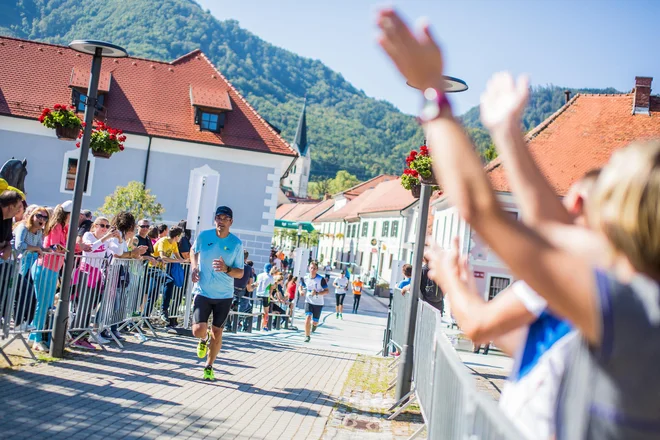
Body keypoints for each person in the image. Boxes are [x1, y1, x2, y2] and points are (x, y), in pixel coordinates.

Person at [376, 10, 660, 439]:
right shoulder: (637, 294)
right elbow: (548, 227)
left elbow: (482, 209)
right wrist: (507, 131)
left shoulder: (633, 307)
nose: (577, 204)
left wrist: (435, 94)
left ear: (623, 212)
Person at [190, 206, 244, 381]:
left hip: (224, 295)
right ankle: (203, 339)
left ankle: (209, 366)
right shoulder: (204, 236)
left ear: (231, 222)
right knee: (198, 330)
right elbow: (193, 251)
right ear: (215, 220)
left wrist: (226, 268)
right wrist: (194, 267)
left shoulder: (236, 243)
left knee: (217, 332)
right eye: (218, 218)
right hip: (203, 291)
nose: (221, 221)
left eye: (225, 218)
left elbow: (240, 273)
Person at [29, 201, 69, 351]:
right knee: (43, 304)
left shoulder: (64, 228)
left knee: (45, 304)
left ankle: (33, 336)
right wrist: (64, 249)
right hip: (45, 267)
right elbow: (53, 246)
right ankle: (37, 338)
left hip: (52, 269)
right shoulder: (56, 226)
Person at [75, 216, 119, 348]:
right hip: (86, 272)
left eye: (107, 226)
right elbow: (90, 248)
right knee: (84, 306)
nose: (104, 228)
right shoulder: (88, 235)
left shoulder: (108, 239)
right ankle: (76, 335)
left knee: (91, 307)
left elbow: (118, 251)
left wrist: (119, 238)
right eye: (101, 225)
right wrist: (105, 238)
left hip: (97, 274)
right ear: (95, 226)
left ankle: (83, 336)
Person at [13, 206, 48, 332]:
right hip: (15, 265)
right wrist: (37, 249)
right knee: (24, 293)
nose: (42, 219)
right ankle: (17, 323)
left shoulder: (39, 232)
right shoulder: (23, 227)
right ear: (32, 216)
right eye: (39, 216)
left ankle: (25, 322)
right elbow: (19, 245)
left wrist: (47, 249)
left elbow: (38, 247)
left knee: (31, 294)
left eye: (45, 217)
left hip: (29, 266)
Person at [154, 226, 186, 328]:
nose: (180, 238)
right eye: (180, 236)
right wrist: (177, 260)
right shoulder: (164, 241)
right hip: (151, 266)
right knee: (168, 282)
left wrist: (185, 261)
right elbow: (163, 257)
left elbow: (178, 257)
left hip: (160, 269)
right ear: (177, 236)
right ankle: (163, 309)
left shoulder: (174, 243)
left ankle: (164, 309)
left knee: (155, 293)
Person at [298, 261, 329, 343]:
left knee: (315, 322)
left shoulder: (320, 279)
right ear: (309, 268)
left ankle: (314, 325)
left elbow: (326, 291)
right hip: (308, 301)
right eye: (311, 268)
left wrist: (317, 293)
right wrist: (301, 291)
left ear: (317, 270)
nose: (312, 270)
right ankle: (307, 336)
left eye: (314, 269)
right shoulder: (305, 278)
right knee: (308, 317)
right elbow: (300, 286)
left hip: (318, 303)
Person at [227, 250, 253, 331]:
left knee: (229, 307)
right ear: (246, 258)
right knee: (238, 307)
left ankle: (228, 325)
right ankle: (236, 324)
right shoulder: (249, 268)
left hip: (232, 288)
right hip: (242, 290)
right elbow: (250, 283)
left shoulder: (234, 265)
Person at [254, 263, 277, 331]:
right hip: (265, 295)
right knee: (266, 312)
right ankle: (264, 325)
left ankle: (261, 325)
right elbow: (273, 286)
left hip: (258, 293)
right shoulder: (270, 277)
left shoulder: (259, 275)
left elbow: (256, 283)